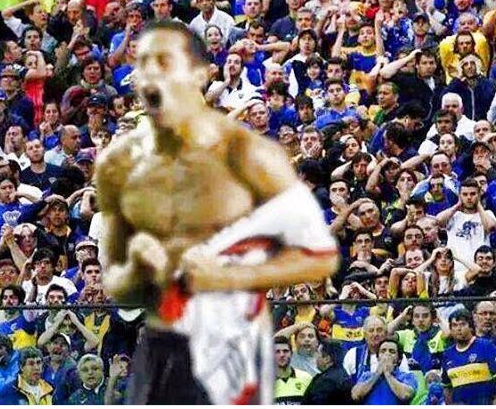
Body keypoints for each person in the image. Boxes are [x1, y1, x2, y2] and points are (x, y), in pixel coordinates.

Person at [96, 21, 338, 404]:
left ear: (200, 74)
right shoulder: (118, 168)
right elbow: (121, 293)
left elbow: (319, 255)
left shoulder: (249, 154)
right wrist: (138, 267)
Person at [441, 308, 496, 405]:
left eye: (463, 324)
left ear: (471, 327)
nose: (459, 329)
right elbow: (446, 386)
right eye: (455, 325)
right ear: (451, 329)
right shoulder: (447, 354)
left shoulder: (486, 346)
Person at [350, 339, 417, 404]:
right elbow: (355, 395)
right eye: (383, 351)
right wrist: (377, 374)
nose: (387, 354)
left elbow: (405, 395)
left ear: (399, 360)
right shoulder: (366, 375)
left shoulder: (407, 377)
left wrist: (388, 374)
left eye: (392, 352)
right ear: (378, 358)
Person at [273, 336, 313, 404]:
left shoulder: (306, 378)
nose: (282, 355)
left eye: (285, 351)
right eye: (277, 352)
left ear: (291, 353)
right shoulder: (265, 384)